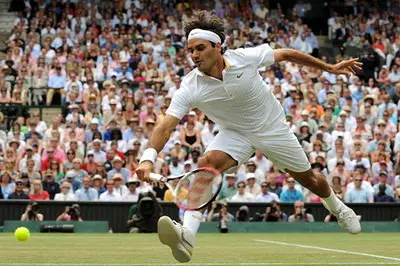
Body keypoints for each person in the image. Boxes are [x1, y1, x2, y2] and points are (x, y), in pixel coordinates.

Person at [136, 11, 362, 262]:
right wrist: (147, 158)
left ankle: (338, 208)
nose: (195, 55)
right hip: (235, 133)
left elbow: (286, 53)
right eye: (191, 50)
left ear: (217, 46)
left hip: (272, 128)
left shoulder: (245, 57)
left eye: (200, 48)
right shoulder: (190, 86)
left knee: (310, 180)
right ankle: (187, 235)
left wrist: (329, 67)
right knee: (206, 165)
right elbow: (165, 125)